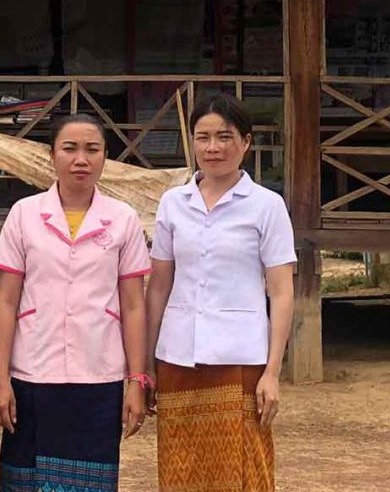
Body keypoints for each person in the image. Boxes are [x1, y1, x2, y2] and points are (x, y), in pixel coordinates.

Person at [0, 114, 151, 492]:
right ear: (52, 155)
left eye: (92, 149)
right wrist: (0, 378)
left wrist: (137, 380)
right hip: (32, 373)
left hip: (99, 375)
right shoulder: (24, 214)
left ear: (105, 157)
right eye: (70, 148)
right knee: (26, 479)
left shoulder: (123, 219)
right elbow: (7, 300)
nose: (81, 158)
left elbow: (133, 306)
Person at [145, 93, 297, 492]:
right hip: (177, 356)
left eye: (225, 137)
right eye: (203, 137)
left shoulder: (267, 206)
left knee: (245, 465)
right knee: (181, 466)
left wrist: (273, 372)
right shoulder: (172, 203)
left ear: (246, 142)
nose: (213, 148)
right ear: (191, 143)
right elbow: (159, 284)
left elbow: (281, 293)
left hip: (242, 359)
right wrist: (147, 363)